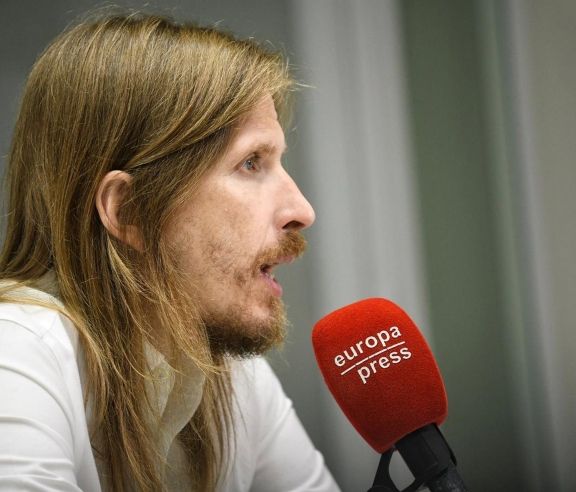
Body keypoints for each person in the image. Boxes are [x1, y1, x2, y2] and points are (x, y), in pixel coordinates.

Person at [0, 10, 340, 492]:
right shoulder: (16, 350)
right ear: (130, 210)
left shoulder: (232, 376)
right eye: (250, 163)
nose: (302, 210)